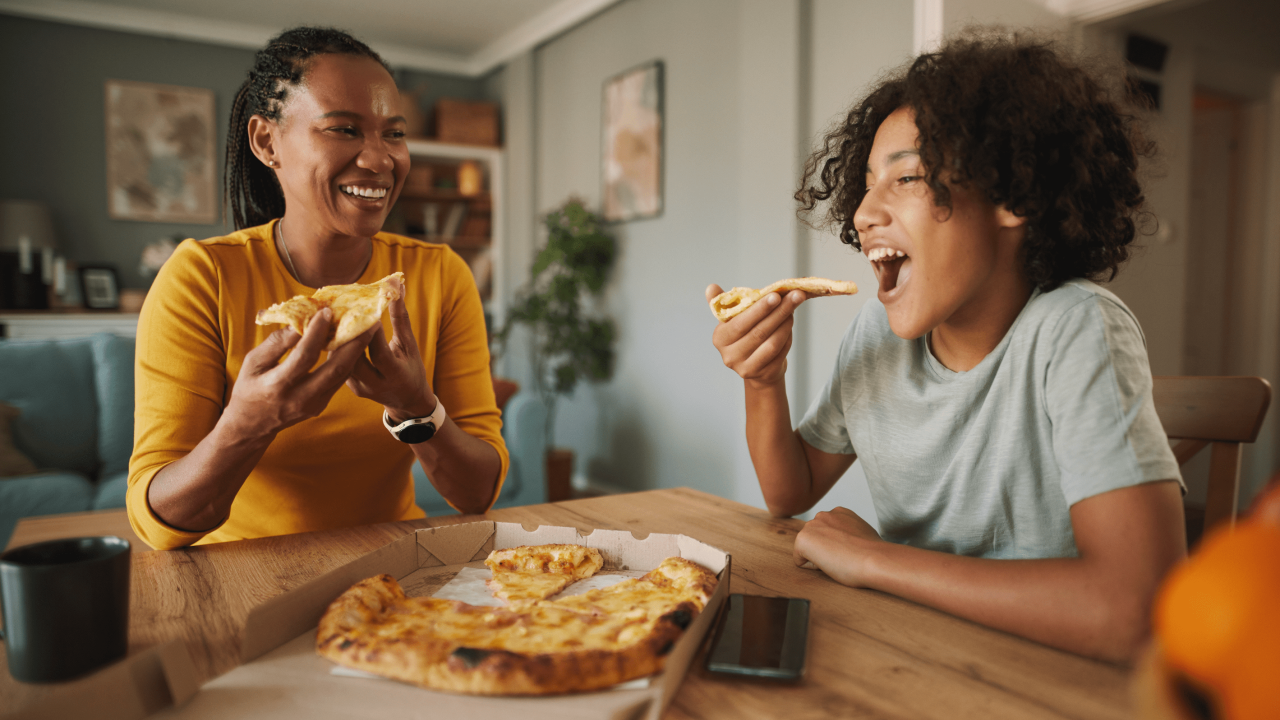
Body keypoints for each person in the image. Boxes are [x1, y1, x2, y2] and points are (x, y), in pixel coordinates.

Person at [707, 32, 1185, 664]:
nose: (862, 213)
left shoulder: (1075, 330)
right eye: (867, 184)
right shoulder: (877, 338)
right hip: (914, 653)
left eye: (906, 176)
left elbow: (1134, 609)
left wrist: (873, 558)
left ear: (1014, 194)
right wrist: (763, 380)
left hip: (1047, 679)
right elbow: (787, 493)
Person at [127, 27, 508, 550]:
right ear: (266, 141)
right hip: (244, 570)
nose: (380, 159)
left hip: (396, 562)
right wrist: (247, 426)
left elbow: (477, 493)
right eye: (344, 130)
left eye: (393, 134)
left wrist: (417, 409)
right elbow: (155, 522)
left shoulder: (440, 275)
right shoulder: (201, 277)